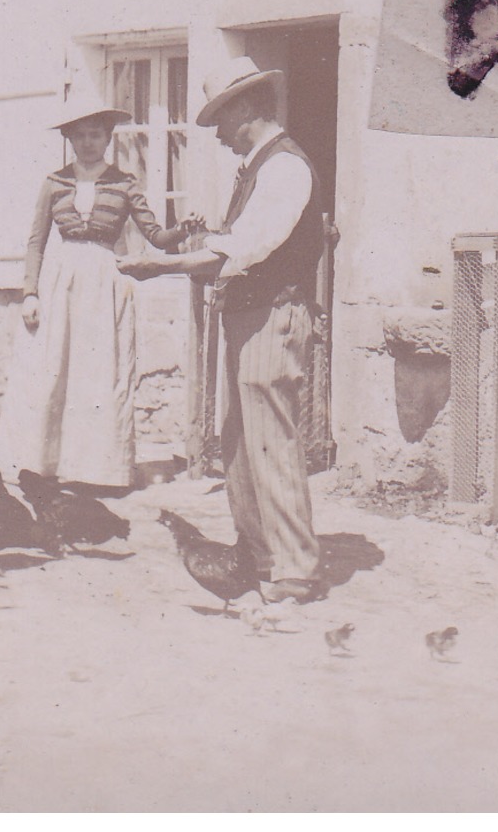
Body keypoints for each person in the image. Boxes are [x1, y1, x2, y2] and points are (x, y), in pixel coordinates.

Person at [120, 57, 325, 603]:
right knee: (238, 444)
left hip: (272, 316)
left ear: (245, 109)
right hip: (247, 316)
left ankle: (296, 568)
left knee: (270, 441)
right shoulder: (259, 167)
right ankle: (261, 556)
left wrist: (159, 265)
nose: (219, 138)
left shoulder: (285, 168)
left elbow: (247, 248)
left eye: (220, 124)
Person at [0, 90, 191, 491]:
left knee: (99, 373)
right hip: (60, 282)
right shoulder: (55, 183)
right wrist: (30, 293)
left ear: (108, 138)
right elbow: (36, 241)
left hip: (105, 282)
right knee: (53, 370)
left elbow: (156, 235)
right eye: (80, 135)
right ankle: (45, 464)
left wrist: (184, 230)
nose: (88, 143)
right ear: (70, 139)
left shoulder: (124, 184)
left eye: (96, 135)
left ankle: (98, 470)